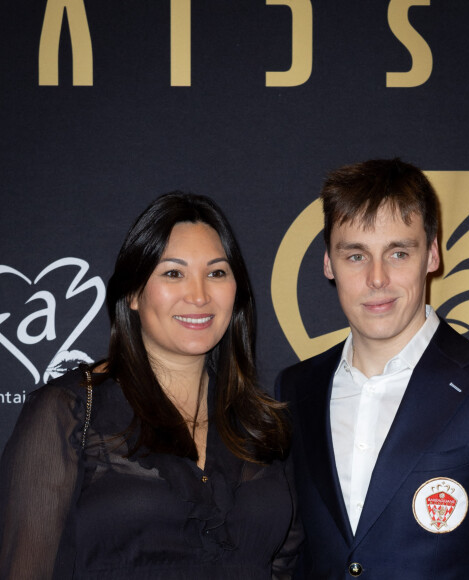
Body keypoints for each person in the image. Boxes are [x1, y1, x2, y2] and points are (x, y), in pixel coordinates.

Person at [276, 159, 469, 579]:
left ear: (432, 254)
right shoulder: (295, 388)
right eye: (356, 255)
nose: (377, 278)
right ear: (329, 263)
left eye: (398, 252)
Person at [0, 192, 302, 579]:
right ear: (132, 294)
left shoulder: (263, 424)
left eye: (217, 272)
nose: (199, 295)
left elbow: (283, 567)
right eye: (173, 273)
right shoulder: (69, 410)